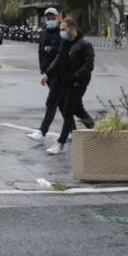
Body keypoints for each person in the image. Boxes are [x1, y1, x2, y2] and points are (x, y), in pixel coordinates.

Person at [40, 16, 96, 156]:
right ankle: (95, 127)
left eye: (63, 29)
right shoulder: (65, 43)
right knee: (77, 109)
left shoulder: (85, 45)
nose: (61, 32)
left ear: (72, 28)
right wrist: (47, 73)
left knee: (68, 110)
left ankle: (60, 143)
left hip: (78, 83)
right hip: (65, 81)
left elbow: (88, 66)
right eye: (60, 29)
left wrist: (75, 77)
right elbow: (58, 60)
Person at [27, 7, 68, 145]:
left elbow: (61, 56)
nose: (50, 20)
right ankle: (73, 130)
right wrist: (42, 70)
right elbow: (41, 53)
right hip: (48, 74)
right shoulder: (43, 33)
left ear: (58, 18)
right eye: (48, 18)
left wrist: (48, 72)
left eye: (53, 18)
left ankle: (42, 131)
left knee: (51, 102)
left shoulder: (62, 33)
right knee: (62, 103)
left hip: (59, 73)